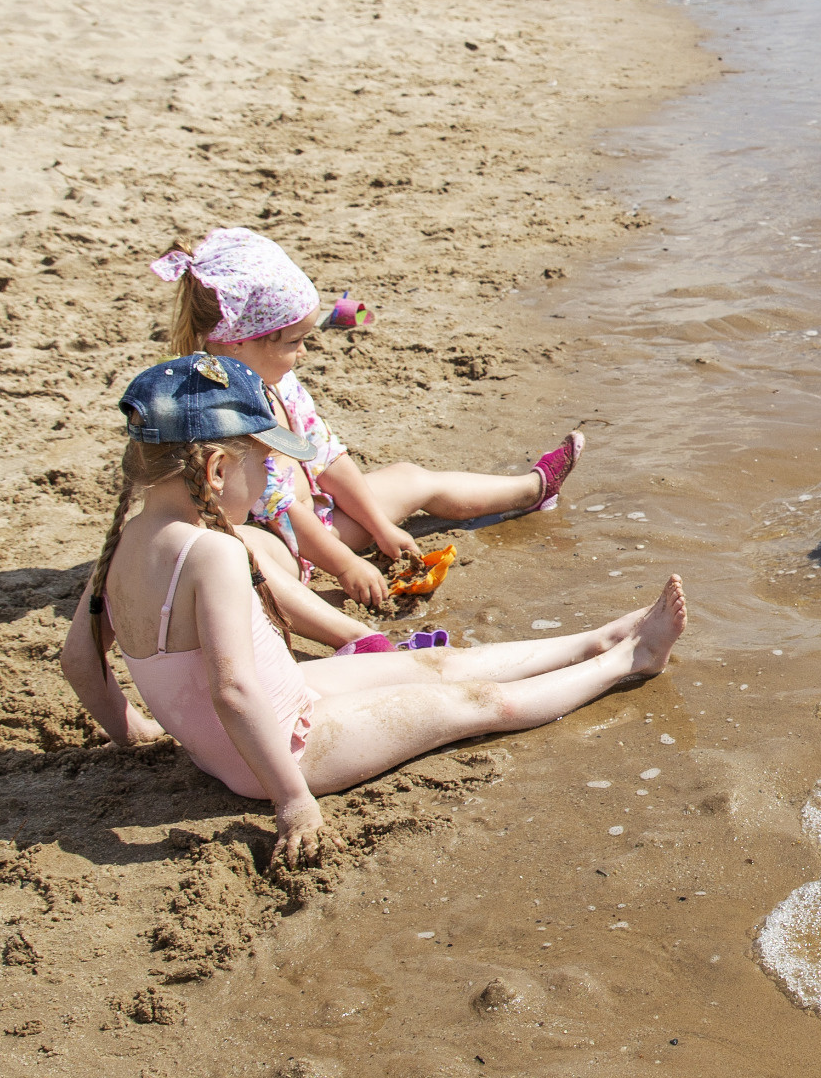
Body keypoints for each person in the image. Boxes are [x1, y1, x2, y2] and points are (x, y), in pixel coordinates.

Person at [61, 355, 684, 870]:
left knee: (436, 663)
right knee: (469, 705)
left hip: (263, 718)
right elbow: (232, 689)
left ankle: (599, 637)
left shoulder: (121, 547)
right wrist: (292, 800)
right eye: (265, 460)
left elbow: (80, 663)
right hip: (287, 747)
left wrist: (141, 733)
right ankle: (631, 658)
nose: (273, 474)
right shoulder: (212, 554)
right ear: (219, 468)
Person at [153, 230, 591, 604]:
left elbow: (325, 458)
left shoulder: (276, 381)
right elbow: (277, 505)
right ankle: (320, 616)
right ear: (238, 344)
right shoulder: (222, 410)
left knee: (412, 477)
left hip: (320, 514)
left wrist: (380, 527)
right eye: (293, 342)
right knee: (243, 552)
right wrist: (345, 565)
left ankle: (532, 489)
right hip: (282, 540)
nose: (303, 352)